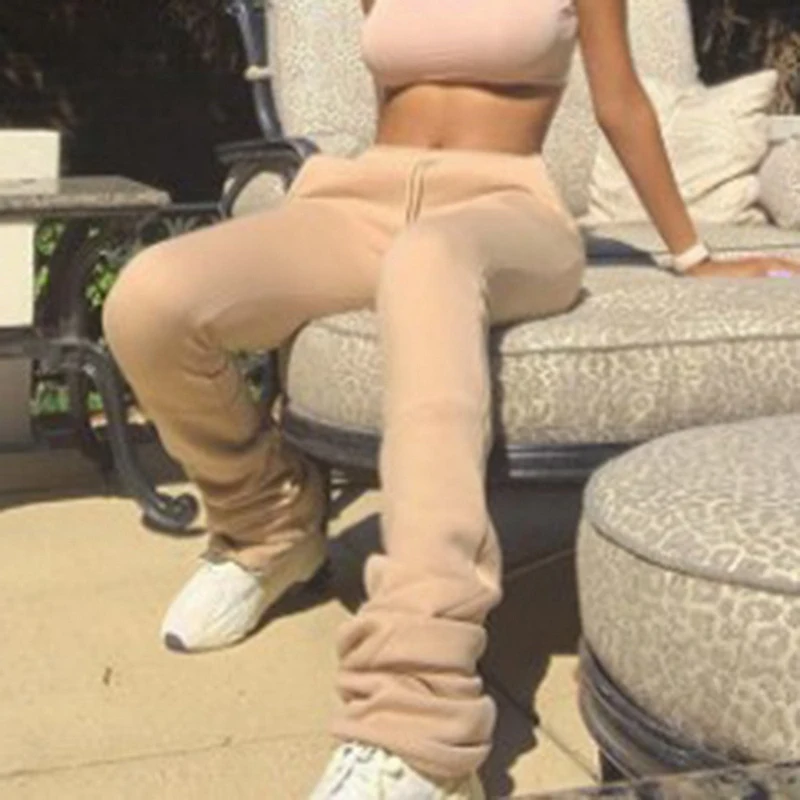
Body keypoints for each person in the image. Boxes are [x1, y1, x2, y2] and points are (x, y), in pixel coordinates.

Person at [103, 0, 800, 797]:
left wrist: (693, 253)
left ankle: (418, 713)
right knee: (149, 300)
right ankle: (269, 525)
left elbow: (620, 102)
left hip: (503, 210)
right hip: (362, 198)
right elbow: (397, 86)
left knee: (427, 261)